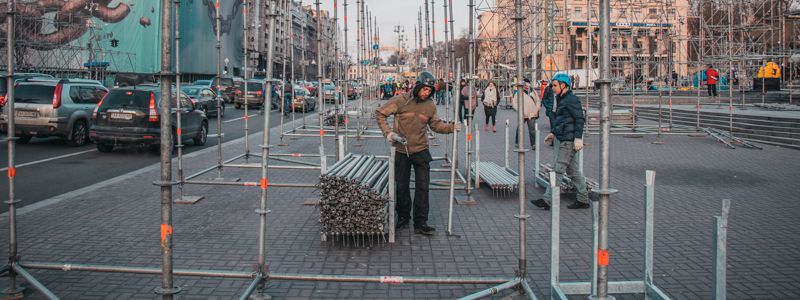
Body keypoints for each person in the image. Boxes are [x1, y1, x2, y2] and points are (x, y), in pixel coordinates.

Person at [375, 71, 459, 236]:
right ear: (418, 86)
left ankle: (421, 222)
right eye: (425, 89)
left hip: (421, 150)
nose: (427, 93)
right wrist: (388, 133)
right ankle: (404, 218)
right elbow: (380, 113)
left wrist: (451, 127)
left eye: (429, 91)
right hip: (402, 150)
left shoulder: (430, 105)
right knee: (402, 187)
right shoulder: (400, 101)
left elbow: (435, 125)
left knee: (423, 187)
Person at [531, 73, 589, 210]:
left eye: (555, 85)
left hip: (568, 141)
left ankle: (547, 200)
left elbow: (580, 119)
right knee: (573, 172)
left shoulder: (571, 100)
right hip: (563, 137)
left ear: (564, 85)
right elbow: (561, 121)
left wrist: (578, 138)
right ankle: (583, 199)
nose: (553, 88)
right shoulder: (561, 99)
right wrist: (553, 133)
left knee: (557, 170)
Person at [511, 81, 541, 148]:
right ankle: (517, 142)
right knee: (519, 128)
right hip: (523, 114)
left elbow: (538, 102)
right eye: (525, 85)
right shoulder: (519, 92)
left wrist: (536, 110)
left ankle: (533, 144)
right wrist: (519, 110)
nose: (527, 86)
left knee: (532, 130)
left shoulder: (534, 92)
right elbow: (514, 103)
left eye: (528, 85)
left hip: (532, 114)